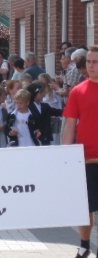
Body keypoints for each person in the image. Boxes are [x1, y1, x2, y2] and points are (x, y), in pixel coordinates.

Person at [63, 45, 98, 258]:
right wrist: (66, 156)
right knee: (85, 207)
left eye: (96, 62)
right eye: (89, 62)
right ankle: (84, 246)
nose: (91, 66)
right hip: (86, 159)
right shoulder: (78, 90)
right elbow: (69, 125)